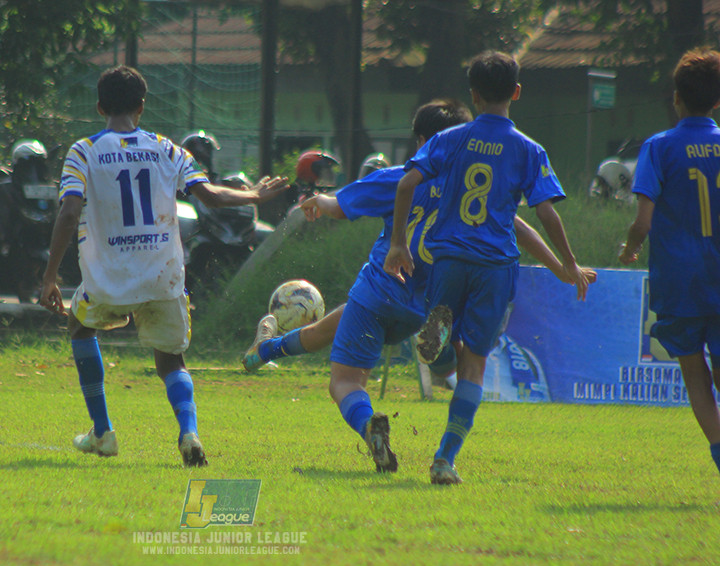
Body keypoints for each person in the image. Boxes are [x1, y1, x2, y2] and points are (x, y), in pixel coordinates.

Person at [39, 66, 288, 467]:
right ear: (141, 106)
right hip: (162, 273)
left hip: (108, 278)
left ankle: (102, 432)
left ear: (100, 106)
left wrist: (50, 276)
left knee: (79, 326)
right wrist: (254, 195)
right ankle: (189, 432)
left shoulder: (83, 150)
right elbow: (209, 196)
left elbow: (69, 212)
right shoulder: (166, 148)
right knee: (171, 359)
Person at [242, 100, 593, 376]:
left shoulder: (400, 177)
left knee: (332, 345)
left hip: (387, 285)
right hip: (432, 293)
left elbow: (339, 206)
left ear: (428, 143)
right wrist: (562, 267)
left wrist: (320, 200)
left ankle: (269, 351)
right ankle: (266, 350)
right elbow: (523, 228)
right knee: (439, 349)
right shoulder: (469, 185)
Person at [384, 51, 590, 485]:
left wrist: (398, 243)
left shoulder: (449, 139)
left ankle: (437, 345)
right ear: (516, 93)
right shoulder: (529, 149)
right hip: (495, 265)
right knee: (474, 364)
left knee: (441, 338)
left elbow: (405, 183)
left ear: (474, 95)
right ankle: (445, 458)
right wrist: (569, 264)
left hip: (451, 257)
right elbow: (546, 215)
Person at [620, 48, 720, 478]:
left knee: (695, 373)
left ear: (676, 98)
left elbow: (643, 221)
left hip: (679, 281)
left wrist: (629, 249)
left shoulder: (659, 147)